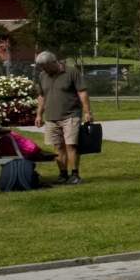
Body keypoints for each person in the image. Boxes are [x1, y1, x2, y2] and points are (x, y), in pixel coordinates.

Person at [32, 51, 93, 185]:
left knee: (71, 145)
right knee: (58, 146)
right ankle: (63, 174)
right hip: (51, 117)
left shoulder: (71, 72)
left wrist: (87, 112)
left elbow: (82, 92)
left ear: (54, 62)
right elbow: (41, 96)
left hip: (70, 115)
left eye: (45, 66)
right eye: (42, 67)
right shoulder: (42, 76)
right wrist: (38, 115)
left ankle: (75, 174)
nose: (43, 70)